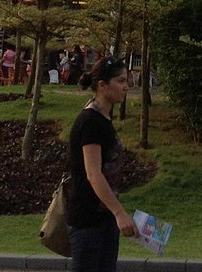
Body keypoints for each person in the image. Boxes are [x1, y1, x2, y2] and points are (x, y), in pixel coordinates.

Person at [67, 57, 138, 269]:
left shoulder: (103, 118)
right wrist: (119, 212)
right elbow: (93, 173)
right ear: (102, 85)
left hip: (104, 219)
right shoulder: (90, 121)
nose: (126, 86)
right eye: (120, 81)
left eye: (126, 80)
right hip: (88, 221)